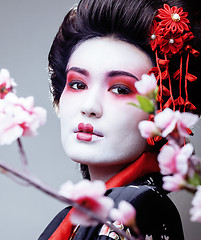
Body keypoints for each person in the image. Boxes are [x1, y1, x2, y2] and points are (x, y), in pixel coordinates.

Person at [38, 0, 201, 239]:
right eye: (77, 84)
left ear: (162, 112)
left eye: (121, 89)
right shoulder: (73, 218)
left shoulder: (138, 207)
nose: (90, 106)